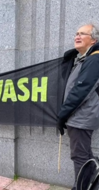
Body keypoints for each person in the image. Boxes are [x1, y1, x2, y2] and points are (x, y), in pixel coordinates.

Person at [57, 24, 99, 190]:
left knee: (79, 157)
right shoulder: (87, 59)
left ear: (94, 39)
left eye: (83, 34)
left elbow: (81, 91)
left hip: (81, 118)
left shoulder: (94, 59)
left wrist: (63, 115)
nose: (77, 36)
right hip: (81, 116)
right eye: (76, 33)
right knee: (86, 155)